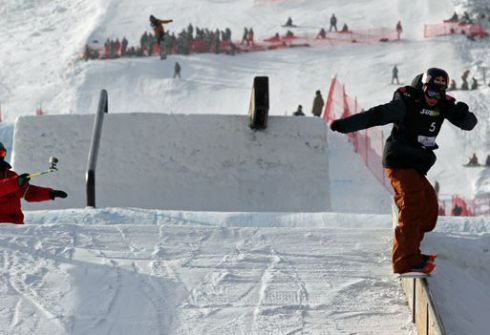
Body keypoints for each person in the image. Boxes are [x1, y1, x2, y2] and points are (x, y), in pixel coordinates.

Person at [329, 68, 477, 275]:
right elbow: (377, 115)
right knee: (413, 202)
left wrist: (464, 114)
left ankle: (412, 250)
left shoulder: (444, 104)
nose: (434, 98)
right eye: (431, 92)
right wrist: (347, 125)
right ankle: (405, 261)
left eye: (439, 93)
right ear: (423, 87)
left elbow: (469, 124)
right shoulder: (407, 100)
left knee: (428, 209)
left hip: (417, 164)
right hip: (398, 160)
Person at [0, 142, 67, 224]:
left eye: (1, 153)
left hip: (16, 226)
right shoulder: (13, 179)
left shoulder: (11, 175)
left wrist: (50, 193)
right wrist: (16, 182)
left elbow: (28, 192)